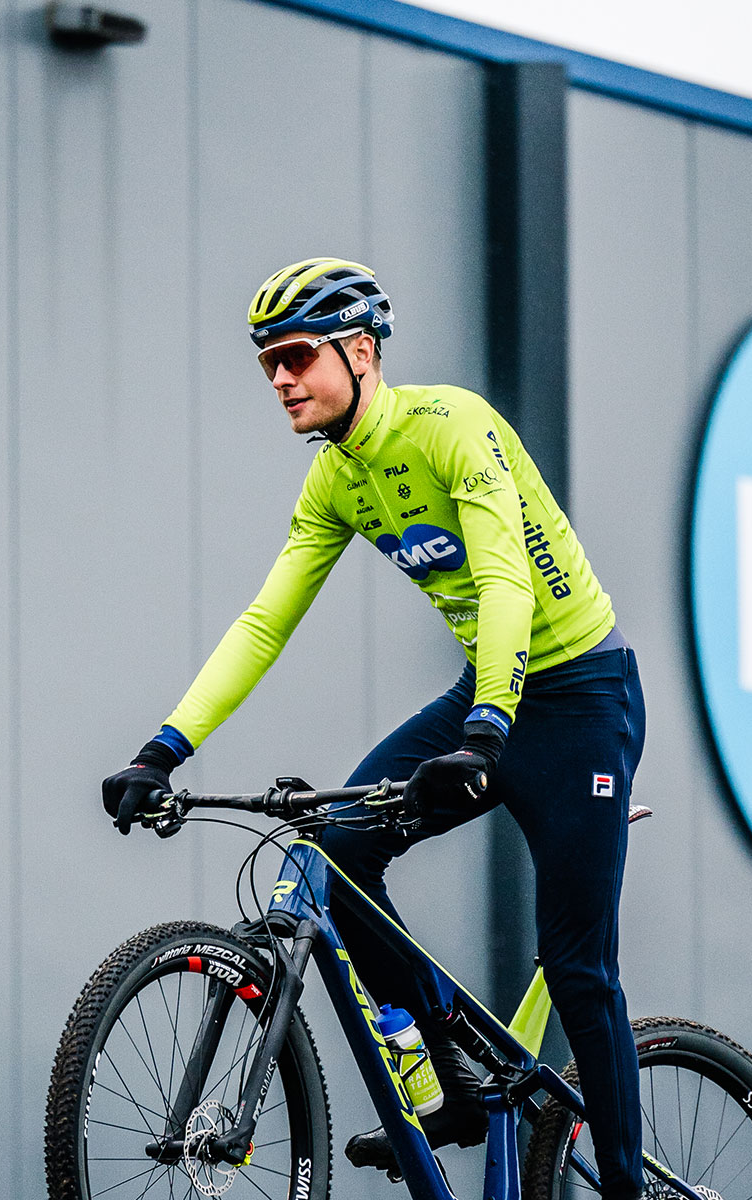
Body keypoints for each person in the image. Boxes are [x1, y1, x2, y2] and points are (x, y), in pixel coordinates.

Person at [102, 257, 647, 1199]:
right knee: (340, 848)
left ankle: (629, 1187)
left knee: (578, 968)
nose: (279, 378)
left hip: (579, 698)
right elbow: (264, 623)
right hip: (488, 693)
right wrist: (164, 747)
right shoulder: (335, 481)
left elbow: (506, 579)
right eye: (267, 360)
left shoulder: (453, 428)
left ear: (361, 353)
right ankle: (449, 1079)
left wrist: (486, 731)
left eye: (297, 355)